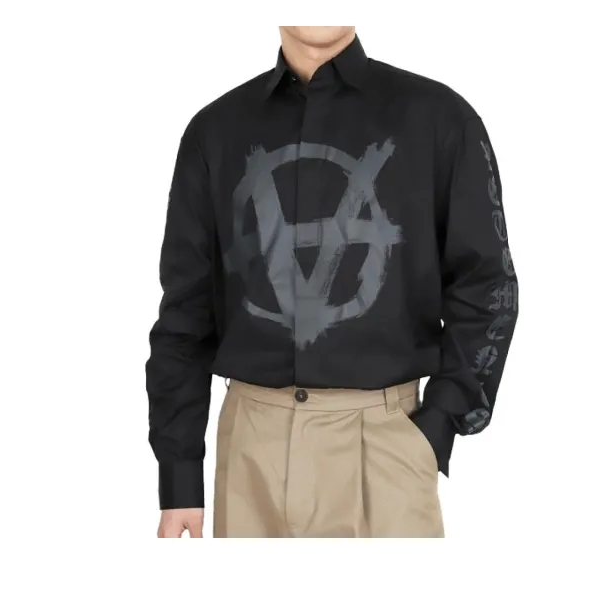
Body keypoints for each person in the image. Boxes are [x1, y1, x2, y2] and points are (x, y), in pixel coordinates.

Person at [146, 26, 518, 538]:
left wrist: (437, 426)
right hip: (250, 451)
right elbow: (185, 313)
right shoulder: (214, 131)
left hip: (388, 449)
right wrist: (180, 474)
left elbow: (487, 287)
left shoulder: (438, 118)